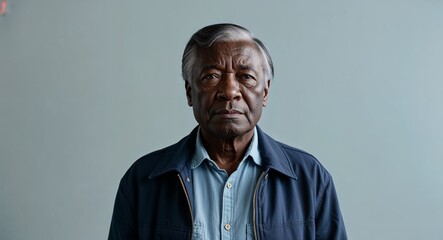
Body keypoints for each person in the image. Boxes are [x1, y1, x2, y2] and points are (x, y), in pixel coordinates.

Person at [108, 23, 347, 240]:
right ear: (190, 92)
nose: (230, 91)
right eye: (211, 76)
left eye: (246, 77)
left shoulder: (310, 179)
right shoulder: (143, 180)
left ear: (265, 92)